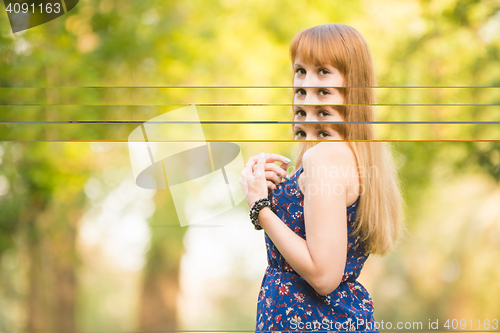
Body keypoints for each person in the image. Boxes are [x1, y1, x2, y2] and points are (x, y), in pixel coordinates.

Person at [239, 23, 404, 332]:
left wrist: (260, 207)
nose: (308, 82)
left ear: (351, 82)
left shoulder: (325, 156)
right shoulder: (346, 153)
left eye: (323, 71)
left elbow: (323, 275)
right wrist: (273, 188)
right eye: (300, 71)